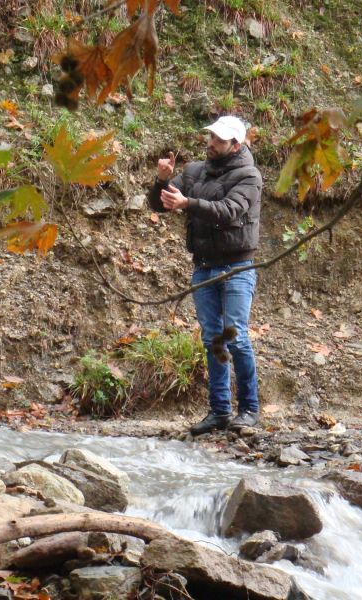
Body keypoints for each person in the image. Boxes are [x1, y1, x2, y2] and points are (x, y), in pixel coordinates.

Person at [147, 115, 262, 435]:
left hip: (238, 267)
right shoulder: (195, 170)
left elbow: (229, 211)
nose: (211, 143)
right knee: (213, 339)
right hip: (204, 267)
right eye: (210, 137)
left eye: (219, 140)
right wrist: (162, 180)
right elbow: (159, 205)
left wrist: (188, 202)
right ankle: (220, 411)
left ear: (236, 145)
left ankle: (250, 409)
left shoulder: (249, 176)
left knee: (234, 335)